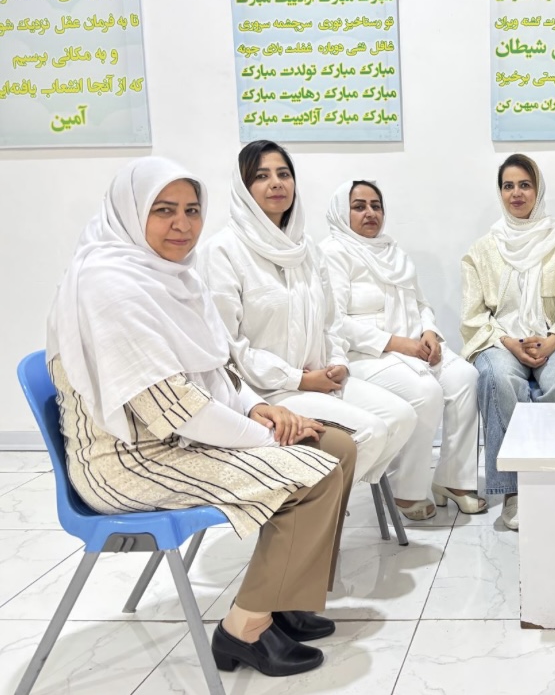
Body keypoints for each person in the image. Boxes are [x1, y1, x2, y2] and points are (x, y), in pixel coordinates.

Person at [46, 158, 356, 676]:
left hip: (180, 439)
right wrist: (267, 437)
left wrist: (258, 408)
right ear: (129, 212)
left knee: (336, 446)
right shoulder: (107, 285)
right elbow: (176, 408)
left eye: (192, 210)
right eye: (163, 210)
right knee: (314, 471)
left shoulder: (175, 277)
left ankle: (284, 599)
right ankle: (243, 630)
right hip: (128, 460)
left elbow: (215, 370)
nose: (182, 225)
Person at [203, 141, 415, 489]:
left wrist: (338, 362)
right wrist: (297, 379)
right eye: (262, 176)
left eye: (284, 174)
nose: (276, 183)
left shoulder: (307, 250)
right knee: (372, 432)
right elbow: (229, 347)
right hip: (266, 390)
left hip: (320, 380)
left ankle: (324, 501)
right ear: (243, 187)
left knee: (402, 416)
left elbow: (331, 322)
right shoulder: (223, 251)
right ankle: (312, 507)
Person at [321, 180, 485, 520]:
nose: (370, 213)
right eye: (359, 206)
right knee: (426, 392)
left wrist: (429, 333)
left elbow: (422, 303)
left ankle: (453, 479)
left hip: (412, 347)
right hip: (366, 355)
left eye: (376, 206)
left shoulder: (393, 251)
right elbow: (335, 321)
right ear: (341, 212)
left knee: (466, 377)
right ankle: (405, 489)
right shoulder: (333, 253)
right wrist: (398, 343)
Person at [460, 154, 555, 530]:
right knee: (497, 379)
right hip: (502, 340)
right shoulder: (481, 250)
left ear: (538, 190)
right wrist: (508, 342)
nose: (516, 193)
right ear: (500, 192)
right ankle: (513, 489)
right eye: (508, 186)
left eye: (525, 185)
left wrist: (554, 339)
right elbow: (473, 315)